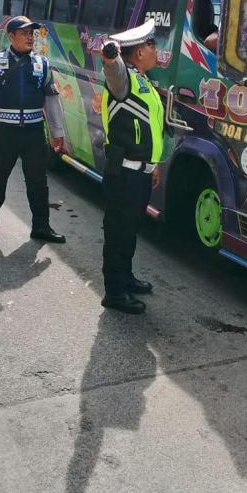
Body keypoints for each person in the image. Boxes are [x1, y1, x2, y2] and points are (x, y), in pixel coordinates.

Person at [0, 16, 67, 243]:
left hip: (34, 132)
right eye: (24, 33)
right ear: (11, 37)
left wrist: (57, 132)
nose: (30, 38)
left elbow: (52, 99)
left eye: (32, 34)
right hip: (6, 132)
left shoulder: (42, 63)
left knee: (38, 181)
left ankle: (41, 226)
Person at [98, 19, 165, 314]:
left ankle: (125, 277)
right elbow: (112, 69)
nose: (156, 50)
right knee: (118, 232)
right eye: (152, 45)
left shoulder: (143, 81)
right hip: (123, 172)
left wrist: (154, 165)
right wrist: (110, 56)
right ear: (139, 52)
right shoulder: (123, 79)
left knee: (130, 230)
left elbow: (151, 126)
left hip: (140, 172)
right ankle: (114, 291)